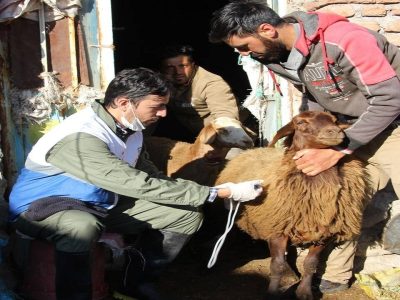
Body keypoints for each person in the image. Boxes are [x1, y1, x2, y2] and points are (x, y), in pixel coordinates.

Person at [8, 68, 263, 300]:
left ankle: (134, 283)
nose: (163, 113)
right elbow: (136, 183)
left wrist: (191, 194)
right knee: (81, 226)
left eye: (165, 106)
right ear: (124, 103)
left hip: (101, 201)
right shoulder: (83, 136)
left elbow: (149, 173)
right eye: (157, 107)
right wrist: (215, 192)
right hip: (46, 206)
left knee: (184, 215)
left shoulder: (131, 129)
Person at [209, 0, 400, 294]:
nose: (243, 55)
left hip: (391, 123)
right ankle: (335, 273)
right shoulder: (276, 57)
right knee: (338, 197)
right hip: (341, 128)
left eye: (245, 47)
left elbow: (389, 99)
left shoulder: (346, 41)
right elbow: (315, 96)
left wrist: (338, 150)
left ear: (267, 29)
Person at [152, 44, 241, 142]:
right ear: (162, 70)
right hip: (191, 132)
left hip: (227, 133)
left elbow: (224, 115)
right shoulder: (160, 82)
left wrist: (224, 142)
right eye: (170, 67)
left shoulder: (211, 83)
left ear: (193, 65)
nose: (178, 72)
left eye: (183, 66)